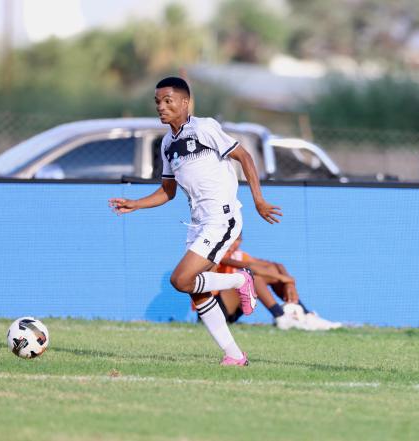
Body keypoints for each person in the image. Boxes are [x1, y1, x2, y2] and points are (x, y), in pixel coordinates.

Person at [109, 76, 282, 366]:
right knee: (196, 291)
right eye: (157, 102)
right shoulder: (167, 144)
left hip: (221, 218)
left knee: (180, 279)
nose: (161, 107)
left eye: (168, 101)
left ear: (185, 102)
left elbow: (245, 157)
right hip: (198, 223)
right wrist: (136, 204)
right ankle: (235, 355)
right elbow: (168, 191)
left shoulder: (204, 128)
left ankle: (242, 279)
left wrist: (259, 200)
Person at [211, 233, 342, 331]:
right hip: (215, 308)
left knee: (269, 271)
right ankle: (280, 316)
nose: (235, 243)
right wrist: (282, 278)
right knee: (252, 277)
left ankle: (306, 314)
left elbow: (276, 265)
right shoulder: (217, 254)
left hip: (232, 311)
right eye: (232, 239)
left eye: (238, 239)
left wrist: (289, 282)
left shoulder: (240, 254)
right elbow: (250, 268)